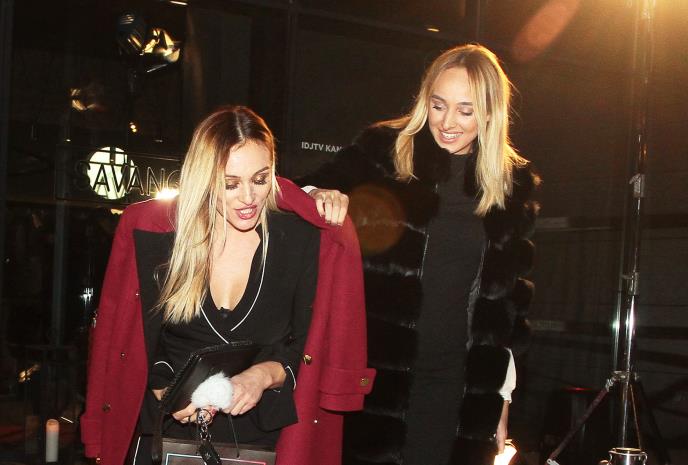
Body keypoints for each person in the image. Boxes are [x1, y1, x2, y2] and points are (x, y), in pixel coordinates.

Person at [81, 105, 375, 465]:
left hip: (263, 437)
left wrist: (262, 376)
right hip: (169, 434)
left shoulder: (299, 239)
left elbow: (310, 346)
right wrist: (167, 390)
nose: (248, 198)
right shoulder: (159, 237)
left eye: (260, 179)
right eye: (230, 183)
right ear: (204, 178)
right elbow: (130, 342)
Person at [301, 44, 540, 465]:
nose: (447, 123)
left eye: (465, 111)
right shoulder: (383, 152)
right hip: (372, 377)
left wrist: (500, 399)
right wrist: (318, 194)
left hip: (455, 387)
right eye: (438, 105)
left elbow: (506, 311)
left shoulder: (510, 186)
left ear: (490, 113)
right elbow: (296, 194)